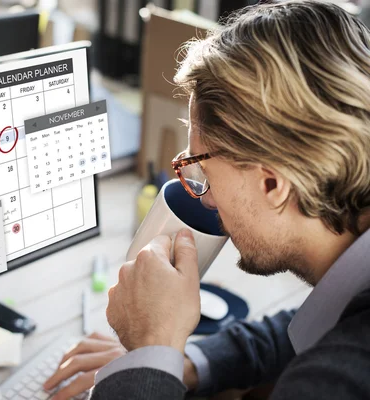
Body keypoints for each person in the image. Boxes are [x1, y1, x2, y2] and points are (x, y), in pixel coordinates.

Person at [43, 1, 370, 399]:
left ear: (272, 184)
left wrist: (151, 347)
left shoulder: (340, 381)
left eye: (202, 171)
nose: (207, 199)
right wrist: (181, 362)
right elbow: (310, 327)